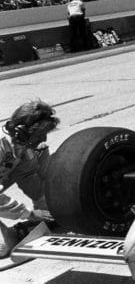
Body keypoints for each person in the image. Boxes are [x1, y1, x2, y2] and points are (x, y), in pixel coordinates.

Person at [0, 100, 59, 257]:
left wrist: (46, 209)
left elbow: (27, 176)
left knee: (40, 153)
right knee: (3, 246)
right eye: (40, 134)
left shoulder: (22, 147)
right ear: (22, 131)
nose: (44, 138)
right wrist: (28, 214)